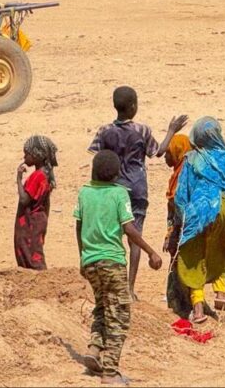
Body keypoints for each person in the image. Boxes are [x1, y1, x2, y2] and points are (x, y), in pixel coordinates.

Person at [75, 150, 162, 384]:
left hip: (90, 261)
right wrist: (151, 252)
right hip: (112, 262)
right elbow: (130, 228)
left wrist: (83, 256)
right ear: (116, 175)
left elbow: (78, 226)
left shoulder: (84, 193)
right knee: (119, 316)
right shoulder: (119, 194)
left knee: (102, 306)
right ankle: (110, 372)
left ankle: (94, 349)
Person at [88, 87, 183, 300]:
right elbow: (157, 152)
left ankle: (112, 284)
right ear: (133, 107)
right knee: (135, 237)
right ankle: (130, 289)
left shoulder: (104, 131)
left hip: (112, 189)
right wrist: (171, 131)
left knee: (112, 236)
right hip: (137, 188)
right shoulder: (142, 130)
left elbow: (97, 157)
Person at [174, 117, 225, 324]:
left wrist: (179, 227)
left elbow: (181, 197)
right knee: (221, 249)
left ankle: (198, 309)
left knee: (193, 256)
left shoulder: (191, 159)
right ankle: (220, 294)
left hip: (199, 211)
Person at [158, 122, 195, 319]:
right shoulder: (180, 174)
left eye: (168, 153)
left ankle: (182, 311)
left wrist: (172, 236)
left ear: (178, 152)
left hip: (183, 230)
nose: (165, 156)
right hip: (181, 229)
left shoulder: (182, 178)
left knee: (180, 270)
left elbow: (178, 212)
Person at [15, 135, 58, 270]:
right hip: (39, 220)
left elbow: (24, 200)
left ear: (37, 155)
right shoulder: (46, 174)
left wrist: (18, 179)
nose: (24, 158)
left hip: (30, 223)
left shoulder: (37, 176)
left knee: (31, 255)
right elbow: (47, 204)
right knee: (34, 250)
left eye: (27, 154)